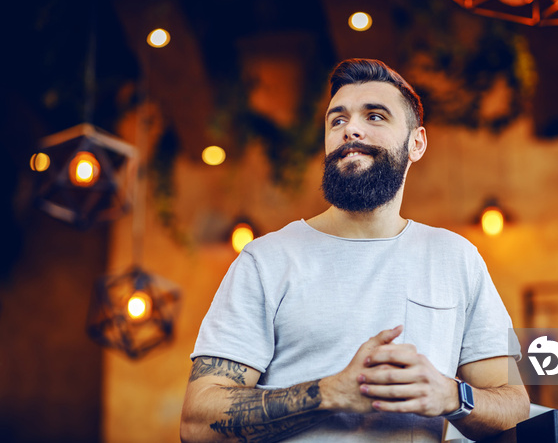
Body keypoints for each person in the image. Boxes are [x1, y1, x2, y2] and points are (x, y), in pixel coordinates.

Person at [180, 58, 530, 442]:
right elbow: (197, 424)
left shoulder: (456, 257)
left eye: (375, 116)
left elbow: (514, 405)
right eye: (337, 120)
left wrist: (452, 396)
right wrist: (330, 393)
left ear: (416, 143)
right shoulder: (266, 260)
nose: (351, 130)